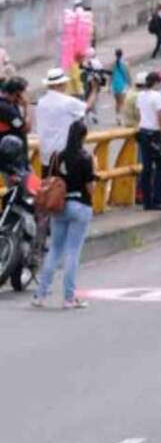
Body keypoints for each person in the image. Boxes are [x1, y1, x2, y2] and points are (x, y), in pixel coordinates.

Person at [32, 120, 95, 310]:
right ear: (83, 137)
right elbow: (90, 188)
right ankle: (69, 297)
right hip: (81, 206)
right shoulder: (85, 157)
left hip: (60, 206)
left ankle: (40, 295)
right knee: (73, 253)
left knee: (55, 250)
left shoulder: (58, 156)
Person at [36, 68, 87, 174]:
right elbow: (85, 109)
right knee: (67, 187)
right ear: (59, 84)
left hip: (46, 155)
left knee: (49, 187)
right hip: (64, 155)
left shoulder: (41, 102)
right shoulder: (67, 101)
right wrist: (95, 91)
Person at [137, 72, 161, 210]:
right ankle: (156, 199)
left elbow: (141, 113)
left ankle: (146, 201)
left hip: (143, 131)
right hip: (155, 133)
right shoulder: (157, 96)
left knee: (147, 167)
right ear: (156, 82)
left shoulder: (141, 95)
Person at [0, 77, 31, 159]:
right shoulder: (7, 110)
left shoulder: (8, 104)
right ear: (17, 93)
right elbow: (24, 128)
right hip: (14, 157)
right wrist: (26, 107)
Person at [110, 48, 130, 123]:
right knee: (123, 102)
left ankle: (117, 116)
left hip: (115, 85)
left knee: (117, 102)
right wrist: (130, 83)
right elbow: (127, 74)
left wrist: (109, 86)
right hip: (122, 85)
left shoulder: (113, 64)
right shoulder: (124, 63)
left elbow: (111, 75)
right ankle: (122, 118)